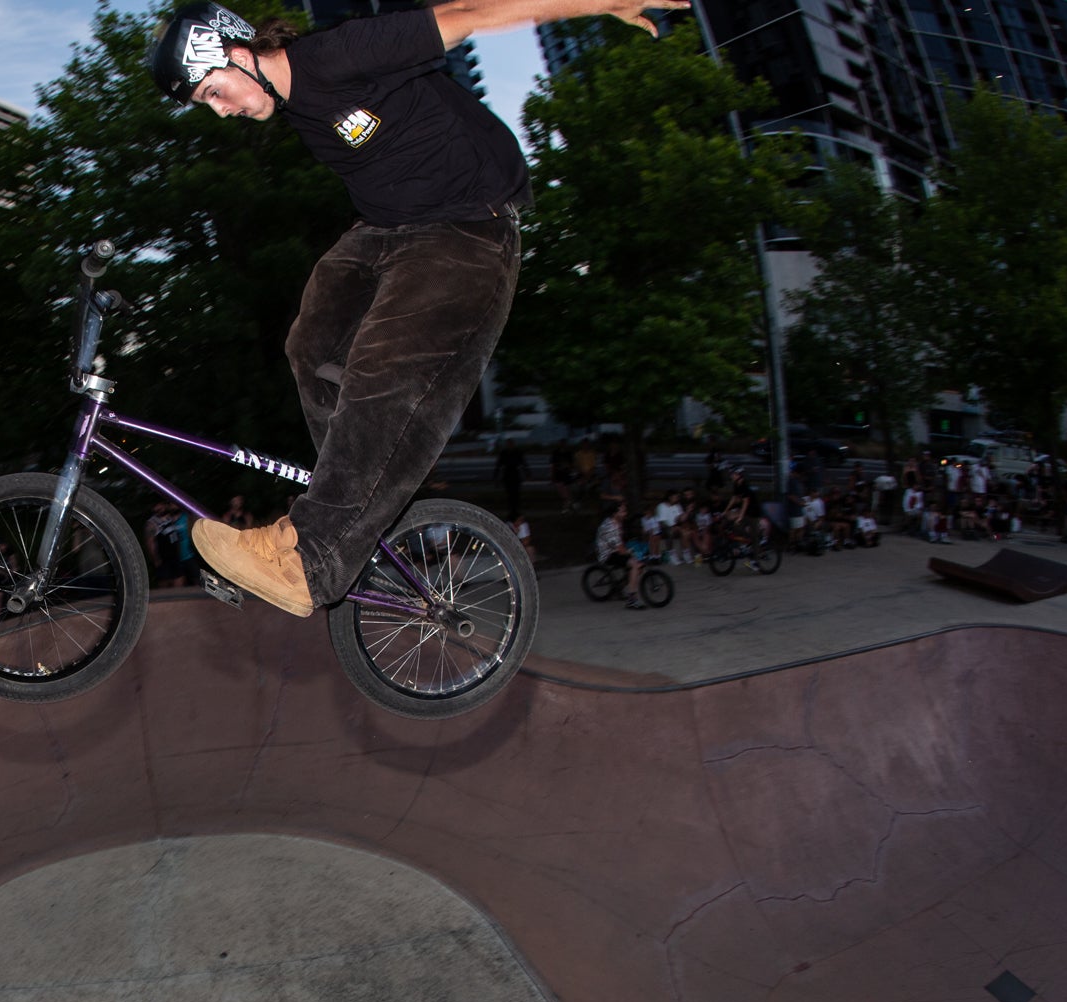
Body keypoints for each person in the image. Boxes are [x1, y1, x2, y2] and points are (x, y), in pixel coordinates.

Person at [153, 0, 680, 617]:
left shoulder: (340, 53)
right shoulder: (296, 107)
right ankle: (356, 514)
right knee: (311, 346)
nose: (223, 112)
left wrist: (602, 5)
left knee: (382, 368)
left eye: (216, 92)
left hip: (466, 229)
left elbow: (470, 12)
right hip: (384, 232)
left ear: (239, 56)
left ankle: (312, 556)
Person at [595, 502, 647, 610]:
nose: (625, 513)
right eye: (622, 511)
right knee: (634, 564)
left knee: (638, 568)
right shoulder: (609, 527)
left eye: (625, 511)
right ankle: (631, 600)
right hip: (608, 554)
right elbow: (620, 549)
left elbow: (621, 542)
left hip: (616, 549)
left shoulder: (619, 521)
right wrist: (632, 552)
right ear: (615, 514)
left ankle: (621, 588)